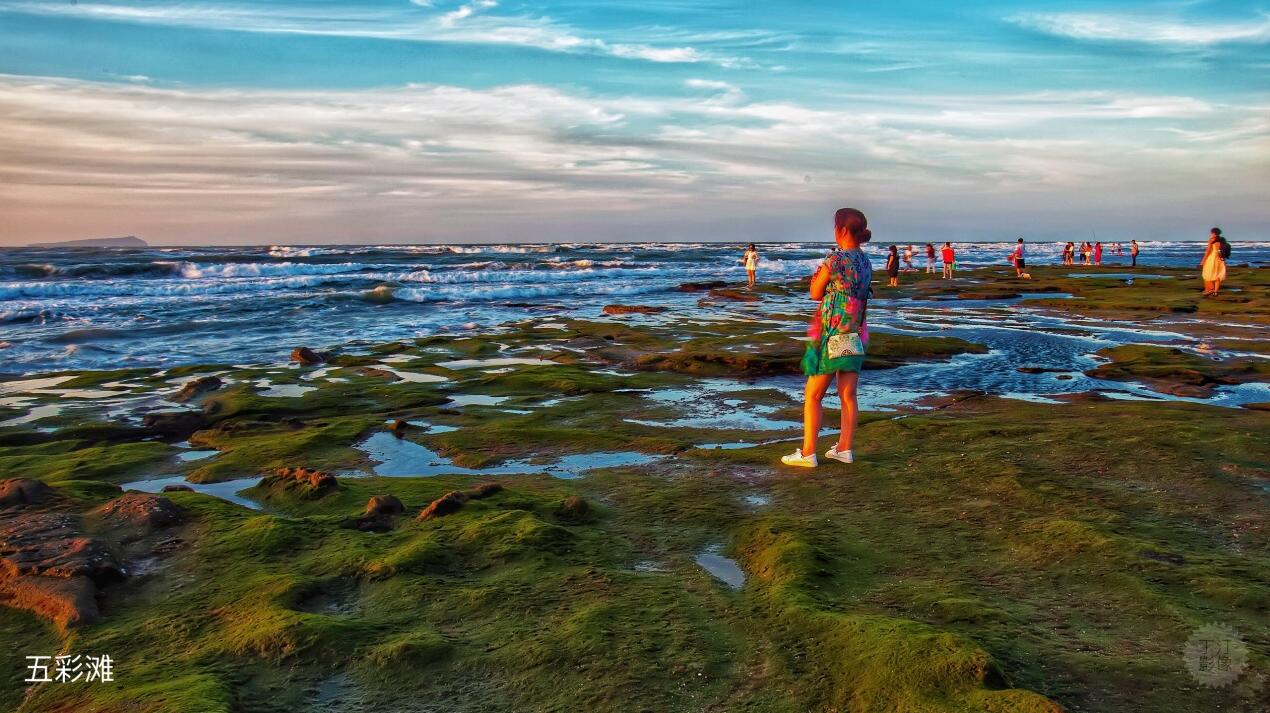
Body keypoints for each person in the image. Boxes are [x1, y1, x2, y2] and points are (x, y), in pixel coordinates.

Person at [782, 207, 873, 468]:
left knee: (813, 395)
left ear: (842, 230)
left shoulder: (835, 260)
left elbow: (814, 292)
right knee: (848, 395)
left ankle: (808, 452)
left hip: (832, 333)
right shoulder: (866, 262)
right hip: (855, 333)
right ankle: (844, 448)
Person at [1201, 228, 1227, 296]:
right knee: (1218, 275)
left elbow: (1208, 251)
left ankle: (1210, 289)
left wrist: (1203, 261)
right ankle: (1215, 292)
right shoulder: (1222, 240)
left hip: (1212, 258)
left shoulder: (1211, 240)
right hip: (1220, 258)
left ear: (1214, 233)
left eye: (1211, 233)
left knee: (1207, 273)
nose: (1211, 234)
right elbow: (1223, 250)